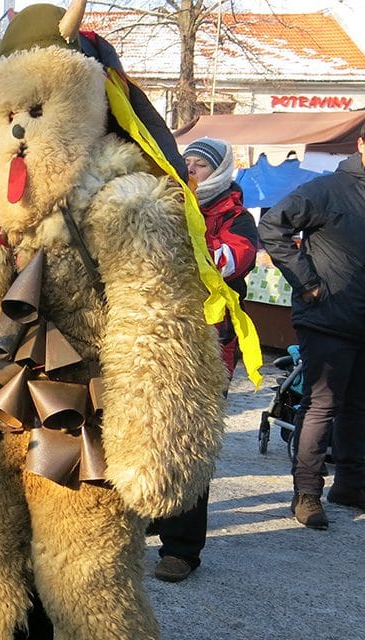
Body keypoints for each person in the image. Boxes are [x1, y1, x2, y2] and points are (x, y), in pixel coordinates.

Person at [150, 137, 259, 582]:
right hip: (156, 339)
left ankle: (181, 548)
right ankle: (153, 512)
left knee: (189, 445)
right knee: (146, 431)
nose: (190, 169)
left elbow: (234, 260)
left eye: (199, 164)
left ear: (217, 171)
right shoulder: (163, 203)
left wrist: (183, 245)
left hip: (210, 347)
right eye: (186, 162)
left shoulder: (234, 216)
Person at [259, 124, 365, 530]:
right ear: (359, 144)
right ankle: (307, 493)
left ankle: (350, 483)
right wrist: (308, 284)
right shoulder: (327, 189)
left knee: (358, 406)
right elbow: (272, 227)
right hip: (328, 317)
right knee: (322, 405)